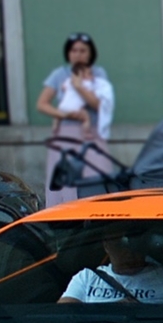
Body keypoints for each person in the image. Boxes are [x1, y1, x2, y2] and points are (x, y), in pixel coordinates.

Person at [39, 33, 116, 208]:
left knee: (97, 179)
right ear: (68, 53)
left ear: (90, 53)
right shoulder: (60, 74)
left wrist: (79, 87)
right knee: (64, 184)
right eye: (74, 50)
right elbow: (42, 104)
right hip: (66, 134)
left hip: (91, 134)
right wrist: (64, 115)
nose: (78, 54)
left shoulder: (98, 74)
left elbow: (100, 105)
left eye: (83, 50)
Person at [59, 230, 163, 305]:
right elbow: (63, 313)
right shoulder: (87, 278)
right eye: (120, 245)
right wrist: (113, 309)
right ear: (107, 246)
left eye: (135, 245)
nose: (128, 252)